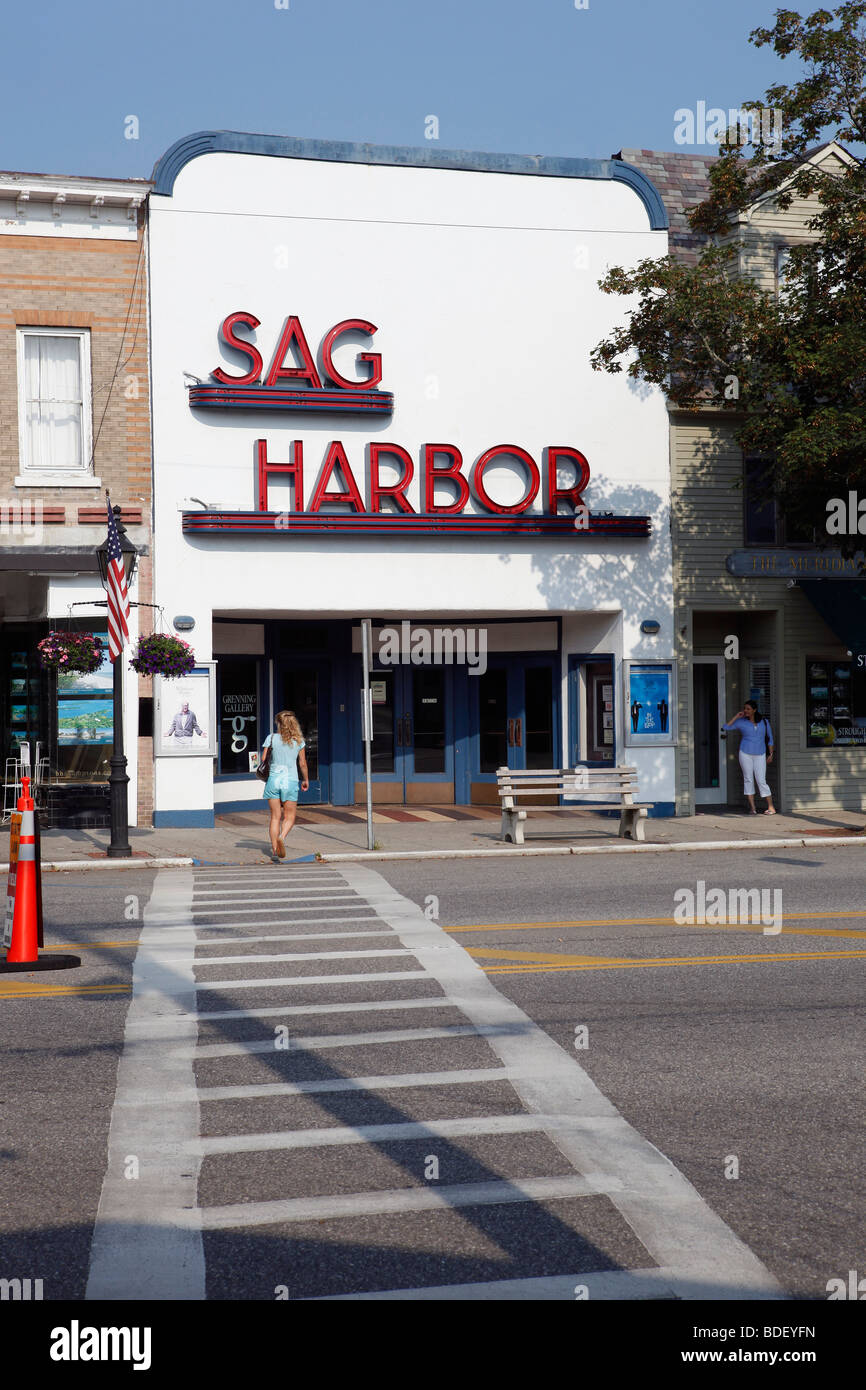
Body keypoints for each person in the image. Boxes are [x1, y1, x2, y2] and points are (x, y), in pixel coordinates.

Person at [260, 709, 309, 860]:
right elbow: (302, 763)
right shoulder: (299, 741)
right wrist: (306, 779)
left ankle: (275, 850)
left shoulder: (272, 738)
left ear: (279, 723)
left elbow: (263, 760)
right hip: (290, 780)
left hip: (273, 780)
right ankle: (282, 837)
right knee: (290, 816)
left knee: (275, 817)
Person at [724, 700, 776, 814]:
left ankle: (771, 807)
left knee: (761, 780)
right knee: (748, 779)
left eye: (748, 709)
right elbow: (726, 727)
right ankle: (753, 808)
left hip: (761, 754)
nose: (745, 711)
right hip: (745, 753)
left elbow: (770, 739)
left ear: (754, 710)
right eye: (744, 709)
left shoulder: (764, 722)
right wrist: (737, 716)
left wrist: (771, 754)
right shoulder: (741, 721)